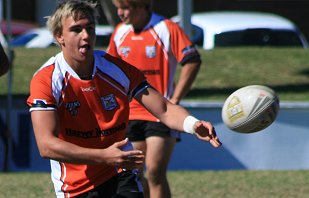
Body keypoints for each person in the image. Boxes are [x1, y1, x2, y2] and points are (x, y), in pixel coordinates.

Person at [27, 0, 221, 197]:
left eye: (90, 28)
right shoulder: (46, 80)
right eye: (76, 30)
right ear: (60, 36)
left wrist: (193, 124)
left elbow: (163, 108)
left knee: (154, 173)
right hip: (75, 186)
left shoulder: (117, 70)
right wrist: (104, 156)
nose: (86, 36)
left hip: (119, 173)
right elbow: (46, 145)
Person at [107, 0, 201, 197]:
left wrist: (175, 98)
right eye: (118, 8)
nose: (120, 13)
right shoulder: (119, 32)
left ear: (140, 6)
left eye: (124, 8)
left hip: (160, 113)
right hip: (131, 114)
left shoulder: (167, 28)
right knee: (135, 173)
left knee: (155, 172)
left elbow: (192, 60)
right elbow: (109, 70)